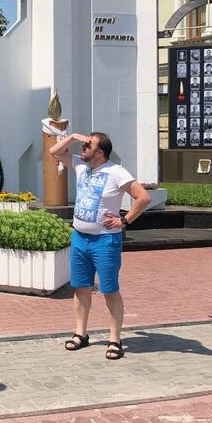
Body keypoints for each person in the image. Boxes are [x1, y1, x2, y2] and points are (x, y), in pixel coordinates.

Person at [49, 132, 151, 360]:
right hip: (79, 237)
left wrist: (124, 220)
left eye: (89, 145)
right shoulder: (79, 165)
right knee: (81, 287)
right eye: (84, 144)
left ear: (100, 152)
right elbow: (54, 152)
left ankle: (114, 340)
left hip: (105, 240)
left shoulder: (116, 172)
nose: (83, 147)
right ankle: (80, 334)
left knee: (109, 290)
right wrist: (74, 136)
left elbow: (143, 197)